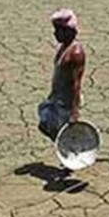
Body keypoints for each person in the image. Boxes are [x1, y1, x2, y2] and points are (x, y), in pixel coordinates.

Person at [38, 9, 86, 142]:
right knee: (45, 120)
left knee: (64, 136)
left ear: (68, 31)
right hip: (57, 97)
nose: (55, 34)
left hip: (66, 103)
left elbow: (76, 83)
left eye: (58, 30)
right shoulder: (64, 47)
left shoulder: (76, 53)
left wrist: (74, 112)